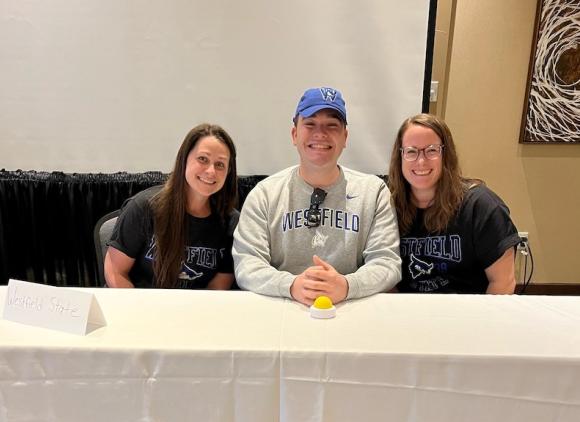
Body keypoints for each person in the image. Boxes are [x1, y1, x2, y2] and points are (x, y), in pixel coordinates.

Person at [233, 87, 402, 305]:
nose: (320, 133)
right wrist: (292, 286)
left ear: (345, 137)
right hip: (281, 310)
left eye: (332, 125)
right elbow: (247, 263)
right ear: (295, 134)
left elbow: (387, 262)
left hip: (351, 310)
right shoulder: (265, 194)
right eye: (310, 124)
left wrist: (347, 286)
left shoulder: (374, 192)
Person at [388, 113, 521, 294]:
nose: (421, 161)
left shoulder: (481, 206)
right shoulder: (386, 204)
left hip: (465, 315)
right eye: (411, 151)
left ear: (446, 155)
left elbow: (503, 283)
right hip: (408, 313)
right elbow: (384, 279)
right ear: (400, 157)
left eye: (432, 150)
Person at [105, 123, 239, 289]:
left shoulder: (232, 224)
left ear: (229, 172)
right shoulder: (144, 207)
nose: (211, 171)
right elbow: (116, 270)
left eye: (220, 164)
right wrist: (139, 311)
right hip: (140, 307)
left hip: (194, 312)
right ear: (184, 159)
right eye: (202, 159)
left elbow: (217, 289)